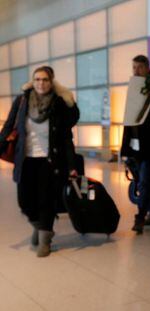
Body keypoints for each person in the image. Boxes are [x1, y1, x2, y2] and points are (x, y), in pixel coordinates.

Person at [0, 66, 78, 257]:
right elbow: (8, 127)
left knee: (46, 200)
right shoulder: (22, 101)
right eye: (37, 79)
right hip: (26, 160)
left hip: (50, 161)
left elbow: (67, 135)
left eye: (45, 80)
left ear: (52, 83)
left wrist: (72, 166)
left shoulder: (58, 103)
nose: (41, 83)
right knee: (25, 201)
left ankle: (45, 239)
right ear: (32, 82)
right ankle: (40, 226)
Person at [121, 55, 150, 234]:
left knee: (145, 182)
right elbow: (129, 122)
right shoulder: (133, 90)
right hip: (136, 148)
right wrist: (125, 150)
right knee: (146, 182)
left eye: (139, 67)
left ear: (147, 68)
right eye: (133, 67)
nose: (136, 71)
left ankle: (140, 217)